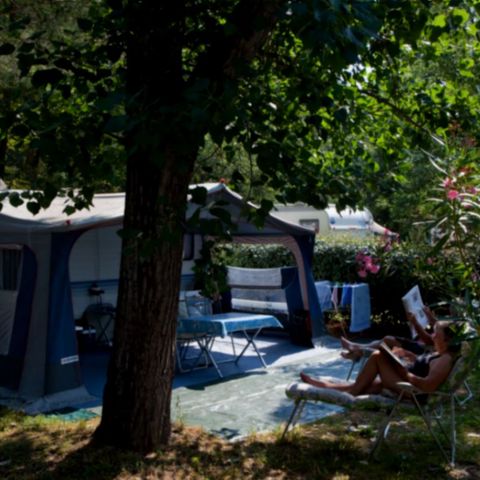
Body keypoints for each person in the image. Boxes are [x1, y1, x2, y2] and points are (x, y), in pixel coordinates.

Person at [300, 320, 461, 396]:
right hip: (404, 380)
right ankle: (322, 386)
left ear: (447, 340)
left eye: (436, 334)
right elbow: (425, 366)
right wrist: (411, 356)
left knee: (378, 356)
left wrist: (404, 373)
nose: (432, 336)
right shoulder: (441, 354)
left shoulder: (445, 360)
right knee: (367, 385)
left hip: (411, 391)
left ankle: (350, 396)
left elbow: (428, 386)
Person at [340, 306, 438, 360]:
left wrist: (415, 323)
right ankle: (358, 350)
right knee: (382, 341)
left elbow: (429, 341)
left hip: (425, 351)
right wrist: (431, 318)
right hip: (423, 346)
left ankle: (358, 350)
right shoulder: (445, 330)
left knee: (388, 341)